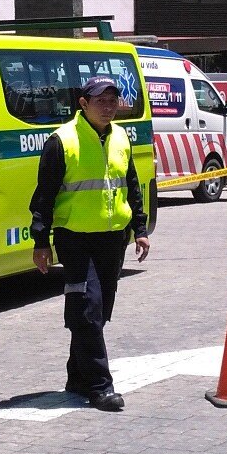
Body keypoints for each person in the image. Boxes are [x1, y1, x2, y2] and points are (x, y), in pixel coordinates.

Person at [30, 75, 152, 412]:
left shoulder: (121, 137)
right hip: (75, 239)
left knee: (98, 310)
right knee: (87, 307)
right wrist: (41, 241)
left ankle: (77, 375)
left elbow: (131, 185)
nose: (109, 107)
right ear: (83, 104)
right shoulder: (62, 141)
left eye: (113, 100)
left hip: (113, 238)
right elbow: (44, 196)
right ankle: (100, 386)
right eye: (101, 100)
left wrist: (139, 228)